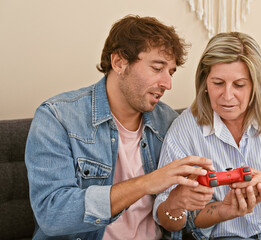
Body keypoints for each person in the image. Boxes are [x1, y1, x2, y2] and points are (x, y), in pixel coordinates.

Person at [25, 15, 214, 240]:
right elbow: (52, 214)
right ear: (119, 62)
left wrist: (184, 203)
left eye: (171, 72)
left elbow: (184, 221)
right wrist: (146, 183)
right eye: (157, 68)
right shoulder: (57, 118)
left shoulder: (169, 123)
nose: (167, 84)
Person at [153, 32, 261, 239]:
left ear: (255, 86)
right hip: (226, 233)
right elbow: (169, 219)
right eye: (218, 83)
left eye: (239, 85)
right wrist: (218, 209)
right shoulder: (184, 129)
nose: (227, 96)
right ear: (204, 82)